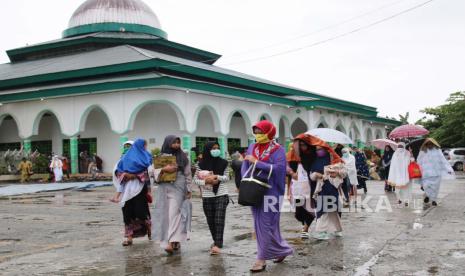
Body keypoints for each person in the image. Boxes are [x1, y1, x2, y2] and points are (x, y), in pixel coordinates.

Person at [241, 120, 293, 273]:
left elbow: (279, 169)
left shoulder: (278, 150)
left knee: (265, 224)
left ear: (269, 132)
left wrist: (257, 163)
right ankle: (282, 250)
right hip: (254, 190)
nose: (258, 135)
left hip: (271, 191)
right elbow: (245, 164)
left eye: (261, 132)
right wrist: (245, 180)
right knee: (262, 225)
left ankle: (261, 259)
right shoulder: (252, 147)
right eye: (256, 132)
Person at [287, 134, 341, 240]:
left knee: (323, 207)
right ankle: (310, 227)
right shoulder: (293, 156)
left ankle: (310, 229)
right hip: (300, 187)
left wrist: (333, 172)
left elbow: (338, 167)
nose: (301, 148)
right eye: (299, 145)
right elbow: (289, 173)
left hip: (317, 186)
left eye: (303, 145)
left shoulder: (316, 155)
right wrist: (289, 187)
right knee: (301, 209)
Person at [152, 135, 192, 254]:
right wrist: (164, 169)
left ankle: (170, 242)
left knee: (174, 213)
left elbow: (188, 174)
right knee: (164, 214)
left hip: (178, 188)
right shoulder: (159, 158)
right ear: (167, 143)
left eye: (178, 143)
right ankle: (174, 241)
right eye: (174, 143)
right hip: (163, 187)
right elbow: (151, 172)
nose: (176, 145)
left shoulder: (183, 157)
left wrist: (188, 189)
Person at [112, 139, 153, 246]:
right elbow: (117, 172)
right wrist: (124, 175)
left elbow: (148, 173)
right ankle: (129, 238)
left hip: (140, 189)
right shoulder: (123, 159)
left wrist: (134, 176)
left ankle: (149, 228)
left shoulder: (145, 157)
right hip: (127, 190)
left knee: (141, 213)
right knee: (127, 214)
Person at [194, 141, 230, 255]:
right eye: (213, 148)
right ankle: (216, 241)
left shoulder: (224, 163)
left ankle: (218, 245)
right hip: (207, 195)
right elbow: (196, 180)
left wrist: (217, 177)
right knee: (211, 221)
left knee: (219, 219)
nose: (216, 150)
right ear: (208, 150)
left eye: (217, 148)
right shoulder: (200, 164)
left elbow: (227, 177)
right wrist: (206, 181)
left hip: (221, 194)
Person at [311, 163, 347, 240]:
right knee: (322, 213)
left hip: (334, 193)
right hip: (322, 192)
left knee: (335, 213)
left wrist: (336, 172)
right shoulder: (317, 162)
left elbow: (344, 174)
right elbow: (312, 176)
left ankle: (336, 230)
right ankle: (321, 232)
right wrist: (317, 175)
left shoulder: (339, 163)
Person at [417, 138, 454, 206]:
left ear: (434, 144)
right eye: (428, 144)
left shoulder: (438, 151)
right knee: (427, 186)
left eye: (431, 144)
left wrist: (448, 169)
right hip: (426, 173)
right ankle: (428, 196)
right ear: (426, 144)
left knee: (435, 188)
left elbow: (443, 160)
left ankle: (433, 200)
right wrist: (418, 170)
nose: (430, 145)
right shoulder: (423, 151)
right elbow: (419, 161)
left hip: (436, 172)